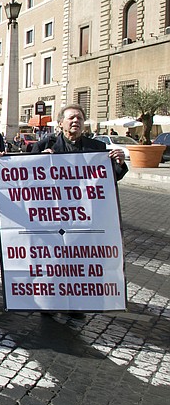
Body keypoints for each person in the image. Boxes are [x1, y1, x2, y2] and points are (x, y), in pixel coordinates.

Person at [32, 104, 127, 319]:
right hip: (53, 216)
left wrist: (119, 164)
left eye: (79, 118)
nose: (75, 121)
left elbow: (110, 179)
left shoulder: (96, 148)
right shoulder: (45, 144)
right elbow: (26, 174)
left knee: (79, 261)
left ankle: (76, 304)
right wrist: (40, 159)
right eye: (71, 118)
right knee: (53, 262)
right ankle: (50, 303)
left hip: (84, 217)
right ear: (60, 123)